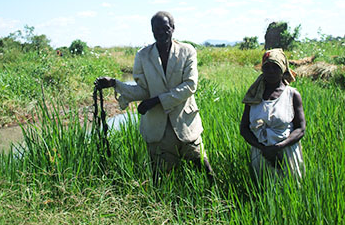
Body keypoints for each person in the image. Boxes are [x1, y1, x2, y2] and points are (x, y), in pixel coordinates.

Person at [95, 11, 213, 182]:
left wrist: (156, 100)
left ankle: (216, 199)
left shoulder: (187, 51)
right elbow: (143, 90)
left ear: (172, 28)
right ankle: (161, 207)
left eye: (165, 28)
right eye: (156, 29)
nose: (161, 33)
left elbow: (190, 85)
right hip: (157, 128)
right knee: (161, 177)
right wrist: (115, 83)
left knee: (204, 167)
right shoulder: (143, 55)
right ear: (151, 30)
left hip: (185, 123)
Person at [240, 48, 306, 179]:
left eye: (275, 67)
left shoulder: (292, 95)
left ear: (282, 69)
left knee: (289, 191)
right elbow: (244, 128)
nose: (270, 71)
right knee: (262, 191)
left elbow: (300, 129)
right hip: (260, 154)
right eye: (267, 67)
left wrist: (278, 147)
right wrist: (262, 148)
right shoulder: (253, 96)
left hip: (286, 153)